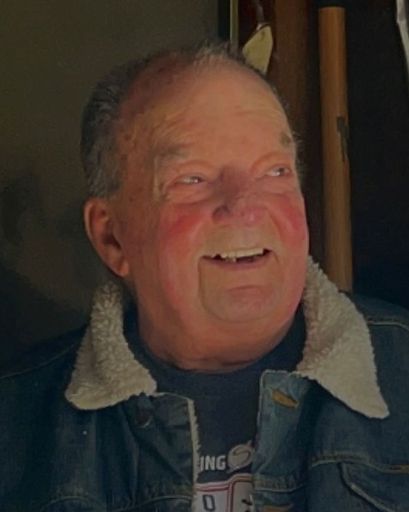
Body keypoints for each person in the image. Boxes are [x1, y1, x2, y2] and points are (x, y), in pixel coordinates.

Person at [1, 44, 409, 512]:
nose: (246, 207)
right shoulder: (16, 427)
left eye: (275, 171)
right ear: (112, 237)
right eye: (192, 179)